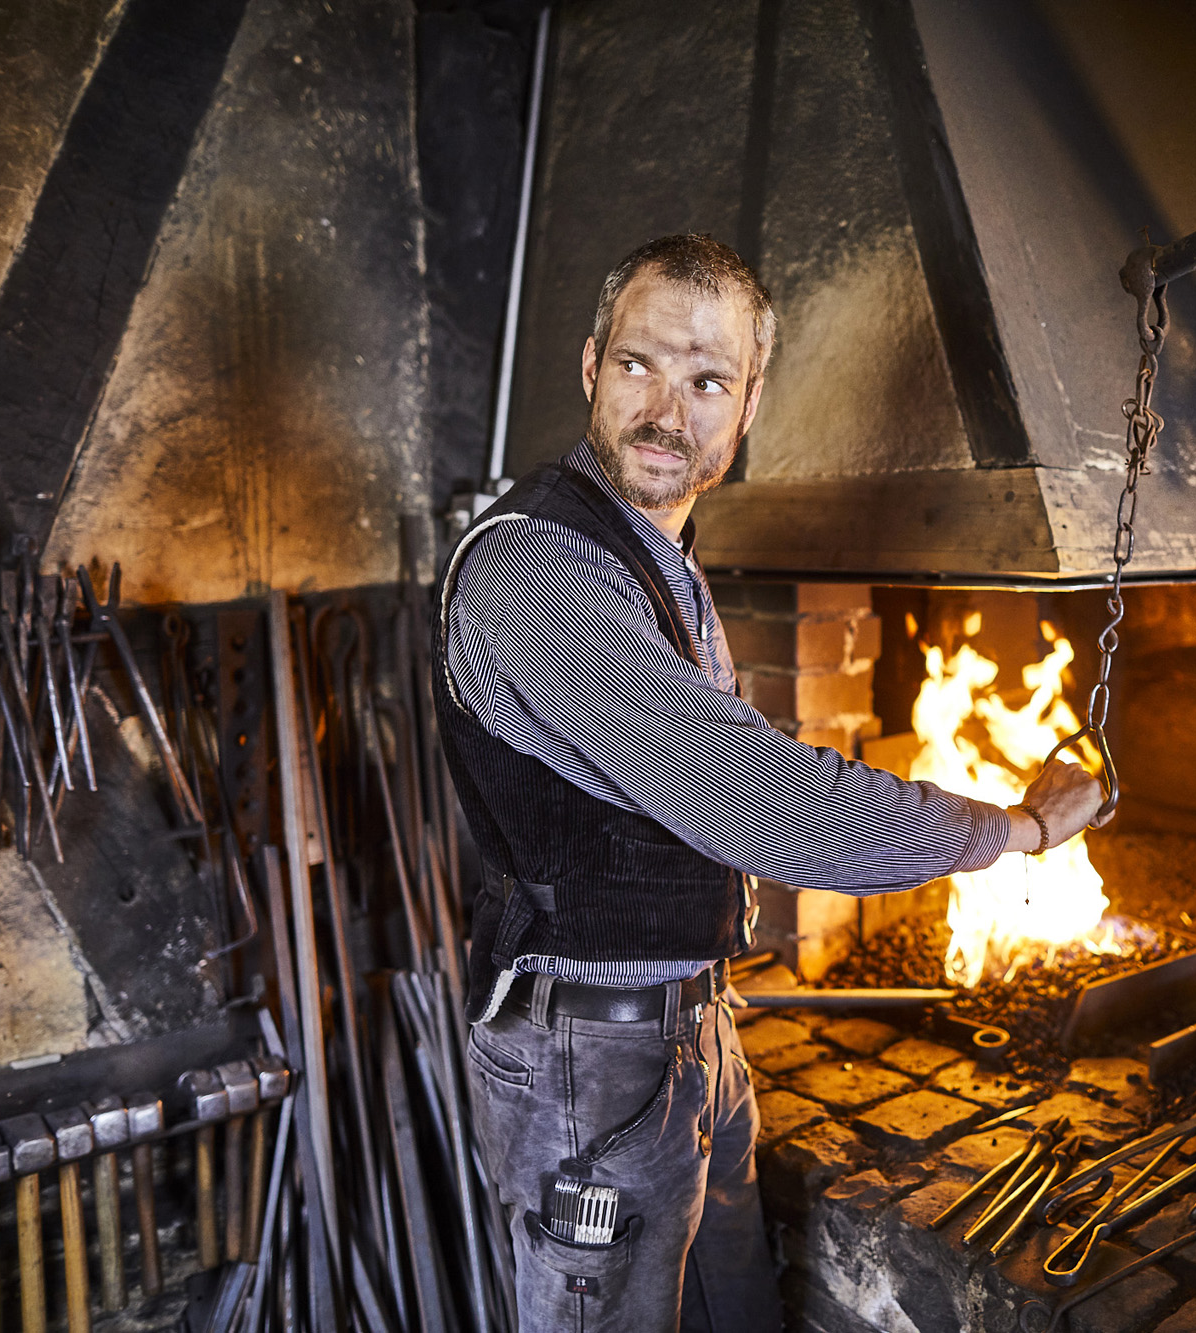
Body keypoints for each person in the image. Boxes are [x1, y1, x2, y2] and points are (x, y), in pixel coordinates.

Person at [434, 233, 1106, 1332]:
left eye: (707, 381)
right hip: (587, 1071)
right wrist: (1021, 827)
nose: (667, 412)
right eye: (639, 365)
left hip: (691, 1034)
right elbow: (767, 804)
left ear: (747, 407)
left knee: (737, 1309)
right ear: (591, 366)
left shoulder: (654, 553)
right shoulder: (535, 571)